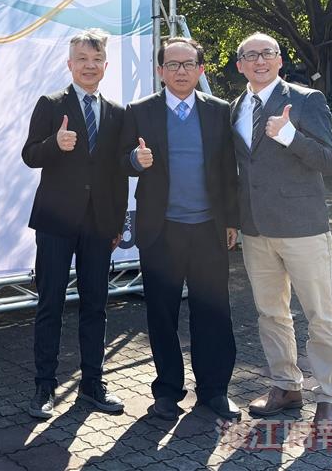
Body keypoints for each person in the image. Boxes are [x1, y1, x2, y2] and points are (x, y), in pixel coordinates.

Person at [119, 37, 241, 421]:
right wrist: (135, 161)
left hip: (208, 228)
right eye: (172, 64)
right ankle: (168, 391)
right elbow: (121, 161)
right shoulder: (140, 111)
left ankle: (214, 390)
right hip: (161, 230)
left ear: (201, 69)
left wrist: (232, 220)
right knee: (161, 314)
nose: (181, 71)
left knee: (212, 311)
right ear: (160, 71)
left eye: (188, 64)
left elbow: (228, 170)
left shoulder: (219, 111)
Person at [231, 32, 332, 429]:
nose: (259, 60)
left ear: (279, 61)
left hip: (303, 228)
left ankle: (329, 397)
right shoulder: (236, 107)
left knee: (320, 315)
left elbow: (329, 161)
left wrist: (291, 136)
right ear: (240, 63)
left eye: (267, 54)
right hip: (256, 230)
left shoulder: (307, 100)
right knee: (271, 313)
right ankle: (285, 385)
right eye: (250, 55)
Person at [22, 29, 128, 419]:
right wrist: (55, 144)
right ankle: (44, 387)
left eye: (96, 59)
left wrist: (117, 223)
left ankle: (92, 385)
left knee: (96, 306)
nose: (89, 66)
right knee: (50, 304)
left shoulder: (117, 112)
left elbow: (119, 172)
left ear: (105, 65)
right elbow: (29, 155)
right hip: (55, 222)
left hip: (100, 225)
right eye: (82, 59)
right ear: (70, 64)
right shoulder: (50, 104)